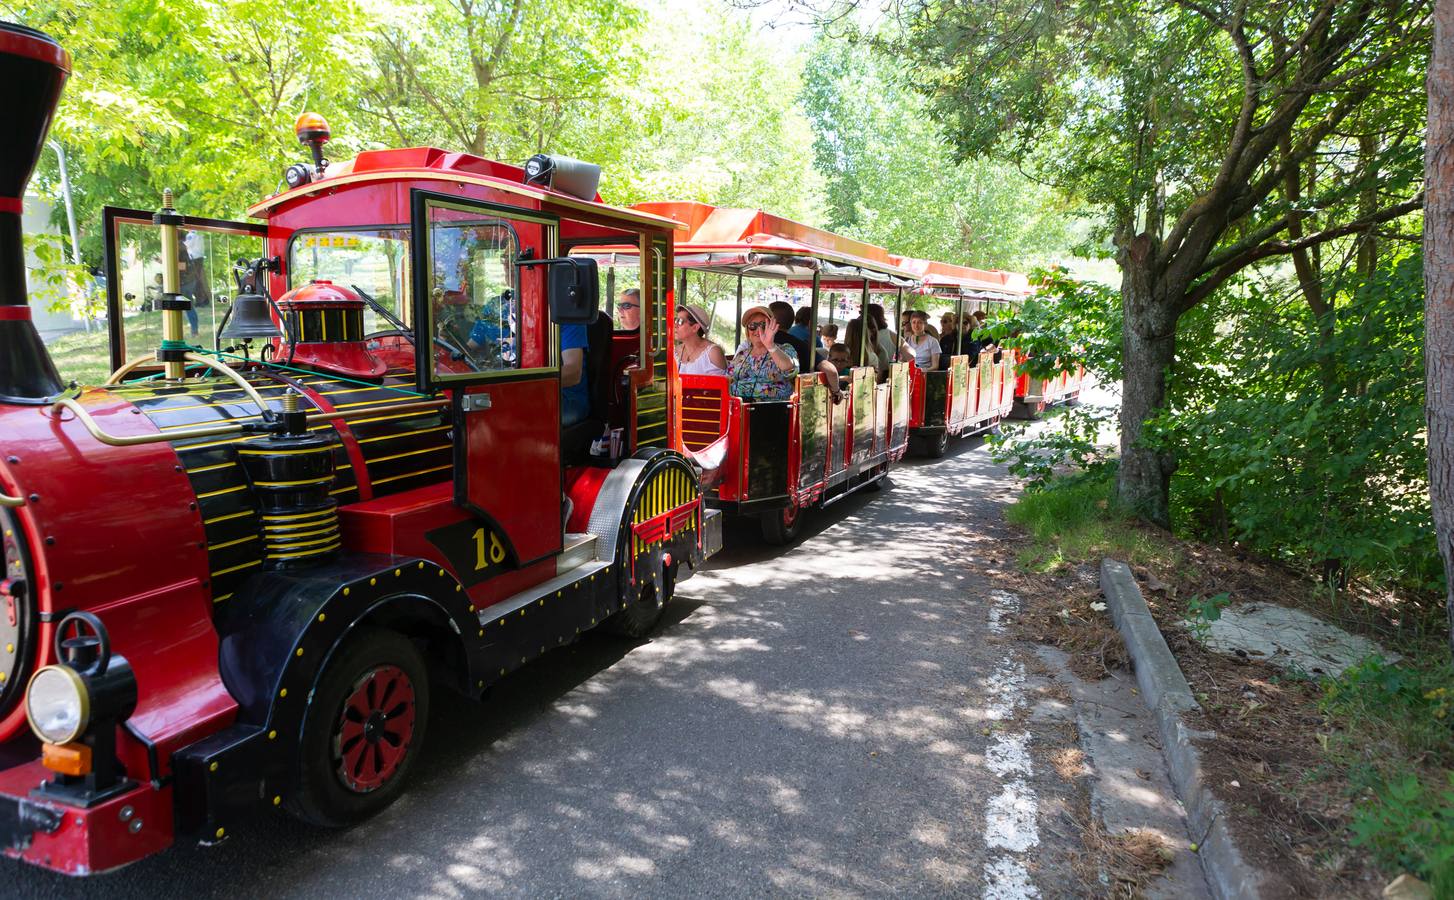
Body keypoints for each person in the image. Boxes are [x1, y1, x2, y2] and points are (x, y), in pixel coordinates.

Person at [730, 305, 798, 401]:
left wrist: (770, 345)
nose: (759, 330)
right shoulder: (742, 354)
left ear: (772, 327)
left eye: (763, 325)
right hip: (739, 408)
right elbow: (729, 378)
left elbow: (789, 369)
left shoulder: (785, 349)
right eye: (752, 326)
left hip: (772, 410)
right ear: (747, 330)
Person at [674, 302, 728, 376]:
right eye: (676, 320)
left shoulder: (712, 353)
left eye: (680, 321)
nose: (675, 325)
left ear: (695, 328)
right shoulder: (675, 352)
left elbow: (719, 386)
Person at [560, 320, 590, 426]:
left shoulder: (571, 317)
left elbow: (573, 373)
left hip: (570, 399)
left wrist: (527, 385)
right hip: (539, 396)